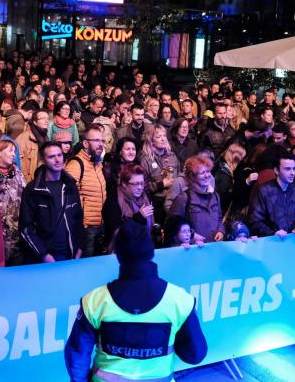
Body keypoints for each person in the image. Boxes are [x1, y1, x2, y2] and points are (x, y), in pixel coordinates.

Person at [64, 214, 207, 382]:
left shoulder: (95, 301)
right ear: (151, 252)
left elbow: (77, 356)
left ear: (118, 255)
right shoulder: (180, 300)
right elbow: (195, 355)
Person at [19, 141, 84, 263]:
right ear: (43, 160)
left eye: (59, 155)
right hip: (46, 257)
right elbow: (26, 227)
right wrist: (44, 255)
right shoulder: (33, 189)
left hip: (71, 254)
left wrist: (80, 247)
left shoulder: (70, 185)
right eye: (51, 157)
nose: (57, 160)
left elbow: (78, 219)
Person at [65, 125, 108, 257]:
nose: (100, 144)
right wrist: (79, 225)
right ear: (85, 143)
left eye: (102, 141)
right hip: (85, 228)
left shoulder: (97, 164)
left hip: (99, 226)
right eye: (96, 141)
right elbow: (67, 198)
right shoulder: (76, 164)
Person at [167, 154, 224, 242]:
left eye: (208, 171)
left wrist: (221, 231)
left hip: (213, 245)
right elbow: (172, 224)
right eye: (202, 173)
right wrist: (191, 234)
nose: (207, 175)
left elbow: (219, 218)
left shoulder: (215, 196)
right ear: (192, 176)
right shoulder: (184, 197)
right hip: (193, 247)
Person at [249, 151, 295, 237]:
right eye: (287, 169)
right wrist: (273, 233)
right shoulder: (264, 190)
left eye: (294, 169)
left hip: (291, 240)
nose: (292, 173)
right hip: (270, 242)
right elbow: (255, 221)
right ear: (276, 170)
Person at [102, 164, 154, 251]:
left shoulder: (146, 198)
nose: (140, 187)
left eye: (141, 183)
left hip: (144, 249)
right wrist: (138, 218)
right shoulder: (113, 201)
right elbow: (117, 233)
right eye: (135, 184)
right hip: (121, 252)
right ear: (124, 184)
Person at [140, 125, 181, 222]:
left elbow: (179, 173)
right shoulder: (146, 160)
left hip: (174, 200)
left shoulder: (172, 155)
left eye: (164, 136)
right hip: (157, 202)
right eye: (158, 137)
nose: (163, 139)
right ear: (151, 140)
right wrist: (161, 184)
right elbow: (142, 186)